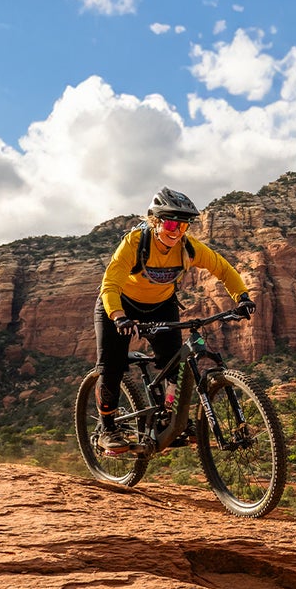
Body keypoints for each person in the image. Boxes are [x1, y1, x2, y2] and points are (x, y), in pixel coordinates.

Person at [94, 187, 254, 450]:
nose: (176, 231)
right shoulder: (135, 243)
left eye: (183, 225)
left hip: (160, 305)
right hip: (120, 305)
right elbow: (110, 283)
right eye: (170, 223)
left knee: (173, 366)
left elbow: (223, 268)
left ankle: (169, 418)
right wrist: (118, 316)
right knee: (111, 366)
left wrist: (242, 297)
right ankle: (107, 428)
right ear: (155, 221)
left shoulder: (189, 248)